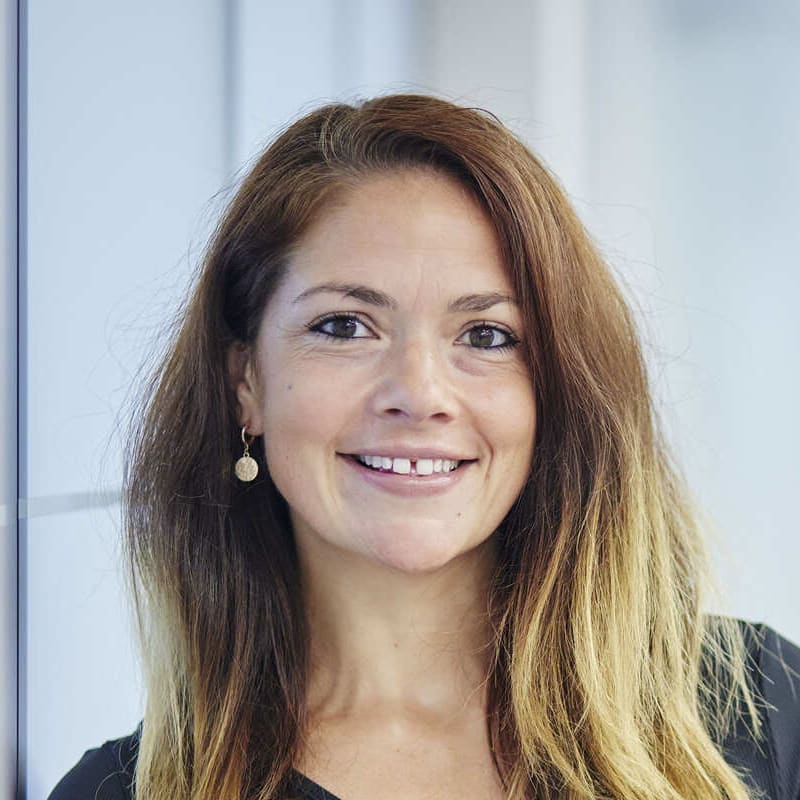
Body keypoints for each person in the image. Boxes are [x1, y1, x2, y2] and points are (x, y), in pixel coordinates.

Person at [49, 94, 799, 800]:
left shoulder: (762, 710)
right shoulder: (121, 790)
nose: (419, 393)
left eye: (486, 335)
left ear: (554, 390)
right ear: (246, 381)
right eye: (344, 326)